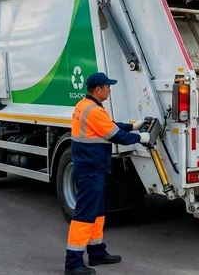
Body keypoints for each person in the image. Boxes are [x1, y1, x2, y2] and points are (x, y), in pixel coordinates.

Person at [64, 72, 150, 275]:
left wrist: (133, 126)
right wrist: (140, 138)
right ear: (98, 89)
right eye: (107, 87)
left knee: (97, 212)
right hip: (90, 170)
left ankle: (97, 253)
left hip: (91, 168)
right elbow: (115, 135)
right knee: (84, 215)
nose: (110, 90)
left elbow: (108, 126)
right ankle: (73, 263)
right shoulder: (93, 110)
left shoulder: (86, 105)